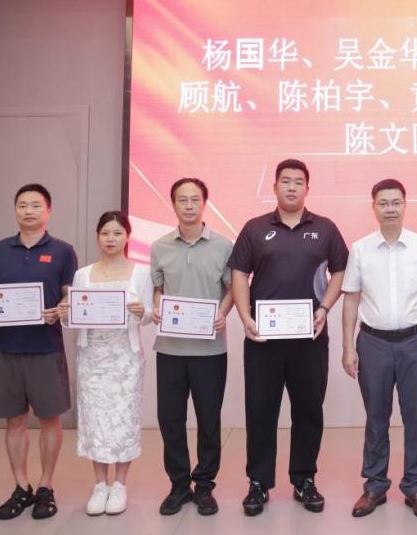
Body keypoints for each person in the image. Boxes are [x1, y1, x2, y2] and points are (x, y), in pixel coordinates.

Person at [228, 159, 348, 516]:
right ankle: (258, 482)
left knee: (308, 410)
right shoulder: (255, 228)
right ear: (275, 187)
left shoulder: (325, 228)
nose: (292, 187)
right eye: (285, 181)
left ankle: (304, 479)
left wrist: (324, 308)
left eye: (298, 182)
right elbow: (239, 273)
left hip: (310, 339)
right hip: (263, 340)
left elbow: (341, 270)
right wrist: (245, 317)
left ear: (307, 188)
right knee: (260, 410)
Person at [342, 179, 417, 521]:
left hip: (415, 341)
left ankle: (415, 487)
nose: (390, 208)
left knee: (415, 415)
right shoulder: (360, 249)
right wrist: (348, 346)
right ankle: (375, 485)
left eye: (396, 202)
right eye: (383, 203)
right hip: (372, 343)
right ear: (373, 207)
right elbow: (351, 299)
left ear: (405, 205)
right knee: (376, 416)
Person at [0, 183, 77, 520]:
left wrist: (61, 309)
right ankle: (21, 486)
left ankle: (46, 486)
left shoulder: (63, 251)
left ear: (48, 211)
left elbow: (69, 296)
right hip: (7, 348)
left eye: (35, 205)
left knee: (50, 419)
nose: (28, 211)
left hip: (46, 348)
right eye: (22, 205)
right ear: (15, 210)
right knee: (14, 420)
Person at [150, 178, 233, 517]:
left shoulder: (223, 246)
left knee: (208, 420)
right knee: (170, 420)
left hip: (210, 350)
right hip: (170, 349)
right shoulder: (159, 247)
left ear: (204, 203)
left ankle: (205, 486)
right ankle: (179, 485)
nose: (188, 205)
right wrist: (157, 306)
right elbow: (158, 289)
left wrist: (223, 313)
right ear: (173, 204)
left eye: (194, 199)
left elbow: (232, 289)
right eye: (182, 200)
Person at [65, 211, 153, 516]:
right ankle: (100, 484)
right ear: (97, 237)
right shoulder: (83, 274)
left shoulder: (141, 273)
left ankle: (120, 485)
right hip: (92, 357)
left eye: (117, 233)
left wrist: (143, 311)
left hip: (125, 358)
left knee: (124, 419)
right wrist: (66, 313)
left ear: (127, 236)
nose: (111, 239)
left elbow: (150, 315)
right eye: (105, 233)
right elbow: (75, 316)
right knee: (95, 419)